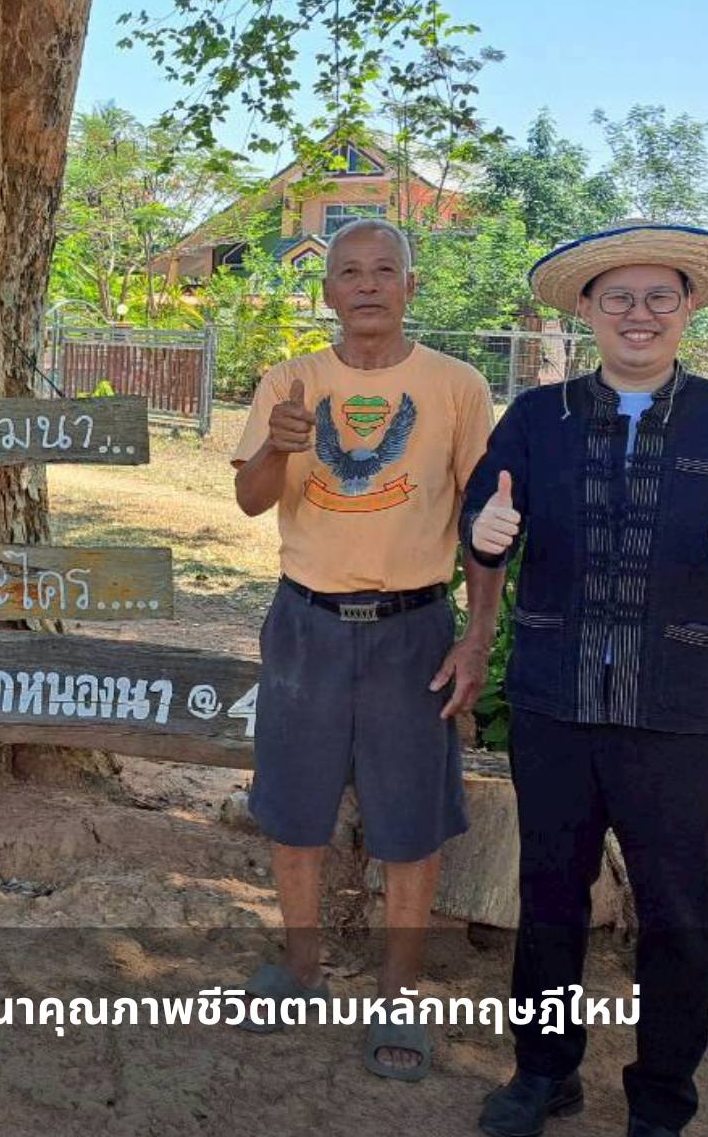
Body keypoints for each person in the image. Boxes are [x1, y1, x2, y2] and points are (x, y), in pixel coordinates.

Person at [461, 220, 708, 1137]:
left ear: (689, 307)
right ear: (587, 310)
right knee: (547, 900)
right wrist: (485, 535)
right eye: (617, 296)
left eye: (660, 296)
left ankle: (661, 1098)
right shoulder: (538, 419)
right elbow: (483, 512)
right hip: (555, 701)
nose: (639, 314)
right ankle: (543, 1074)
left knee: (675, 911)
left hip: (680, 713)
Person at [229, 218, 504, 1081]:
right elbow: (248, 500)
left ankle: (396, 995)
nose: (369, 284)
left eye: (387, 270)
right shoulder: (293, 381)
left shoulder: (456, 385)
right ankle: (302, 968)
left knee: (410, 825)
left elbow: (481, 525)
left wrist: (478, 634)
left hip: (413, 628)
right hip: (306, 623)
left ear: (411, 287)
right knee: (294, 811)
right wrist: (277, 447)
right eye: (350, 272)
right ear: (328, 291)